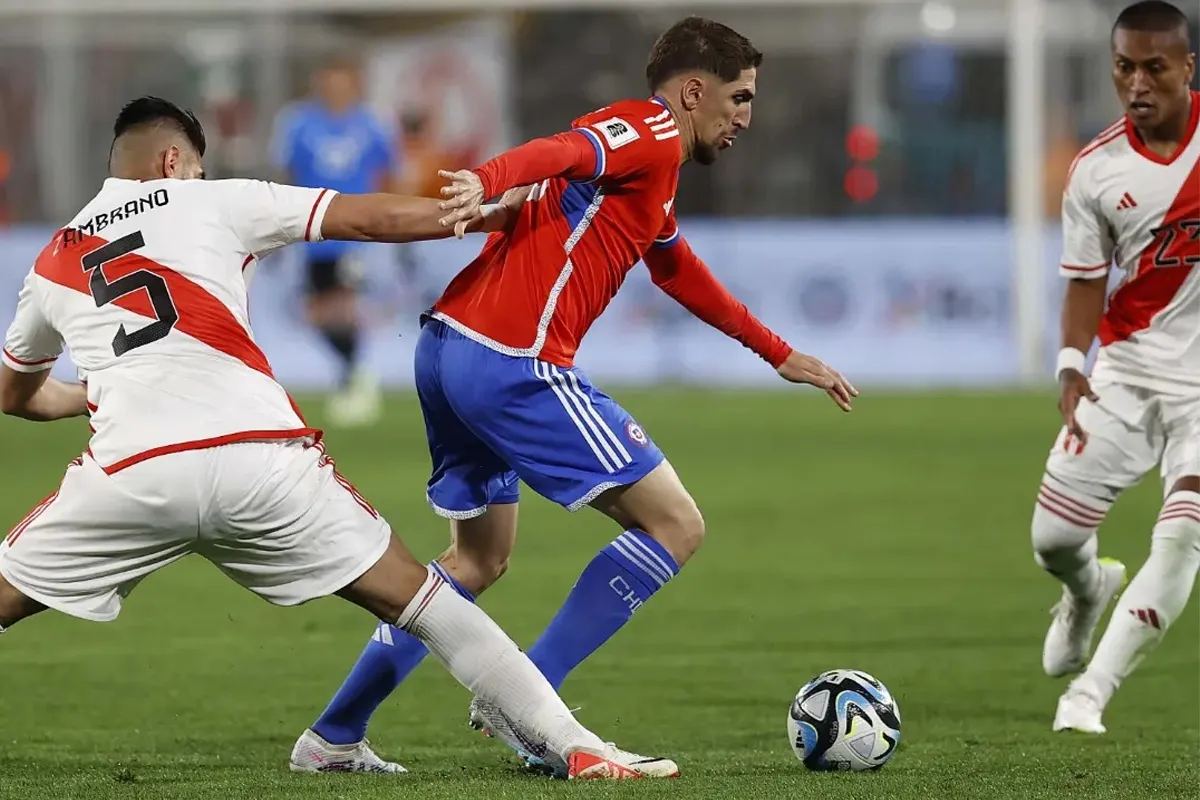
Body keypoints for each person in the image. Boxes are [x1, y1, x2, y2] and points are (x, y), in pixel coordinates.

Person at [0, 96, 677, 781]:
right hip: (260, 459)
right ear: (174, 162)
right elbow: (370, 216)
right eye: (197, 169)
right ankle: (576, 746)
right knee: (427, 604)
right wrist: (484, 214)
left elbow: (15, 394)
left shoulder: (52, 261)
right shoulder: (212, 201)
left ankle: (342, 740)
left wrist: (94, 393)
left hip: (131, 472)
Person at [292, 17, 855, 777]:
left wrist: (780, 353)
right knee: (675, 524)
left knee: (476, 561)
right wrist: (487, 181)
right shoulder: (648, 129)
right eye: (740, 96)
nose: (746, 116)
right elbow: (561, 148)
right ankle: (531, 701)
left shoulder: (650, 176)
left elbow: (680, 271)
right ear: (694, 91)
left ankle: (333, 735)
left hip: (448, 348)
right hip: (512, 362)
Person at [1031, 0, 1198, 735]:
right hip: (1125, 370)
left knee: (1184, 533)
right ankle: (1086, 591)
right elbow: (1084, 278)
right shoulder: (1096, 169)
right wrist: (1072, 362)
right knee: (1053, 541)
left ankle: (1089, 693)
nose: (1137, 82)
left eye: (1154, 67)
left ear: (1187, 67)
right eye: (1125, 67)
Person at [271, 57, 395, 427]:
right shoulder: (298, 124)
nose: (335, 89)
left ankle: (355, 376)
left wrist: (390, 224)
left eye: (342, 82)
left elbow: (389, 174)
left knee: (345, 303)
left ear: (353, 85)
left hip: (358, 231)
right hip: (314, 231)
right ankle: (351, 369)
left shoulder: (371, 125)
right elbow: (286, 173)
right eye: (329, 82)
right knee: (317, 311)